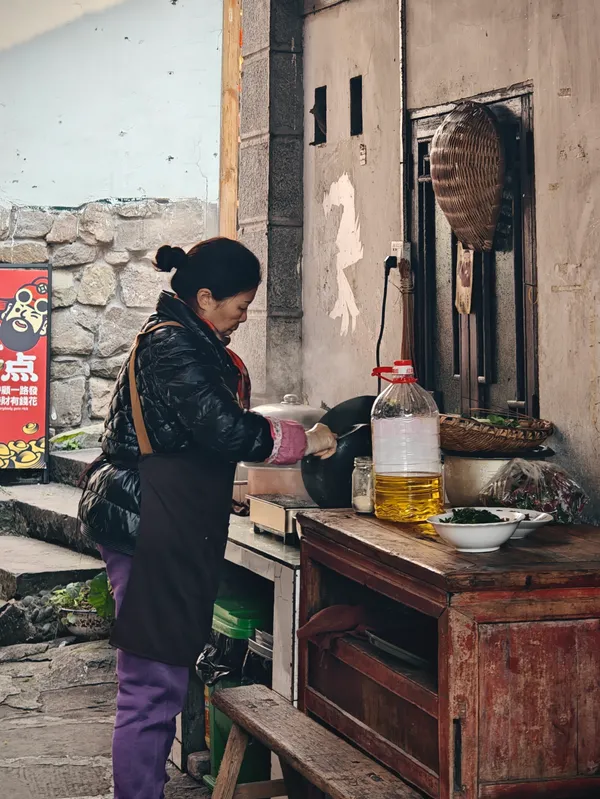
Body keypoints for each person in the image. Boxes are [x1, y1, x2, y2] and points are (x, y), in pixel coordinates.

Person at [77, 237, 337, 799]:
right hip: (145, 522)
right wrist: (305, 438)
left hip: (159, 518)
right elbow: (224, 429)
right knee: (150, 686)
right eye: (239, 307)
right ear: (203, 297)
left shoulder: (187, 338)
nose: (242, 318)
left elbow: (191, 434)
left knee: (160, 679)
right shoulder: (174, 345)